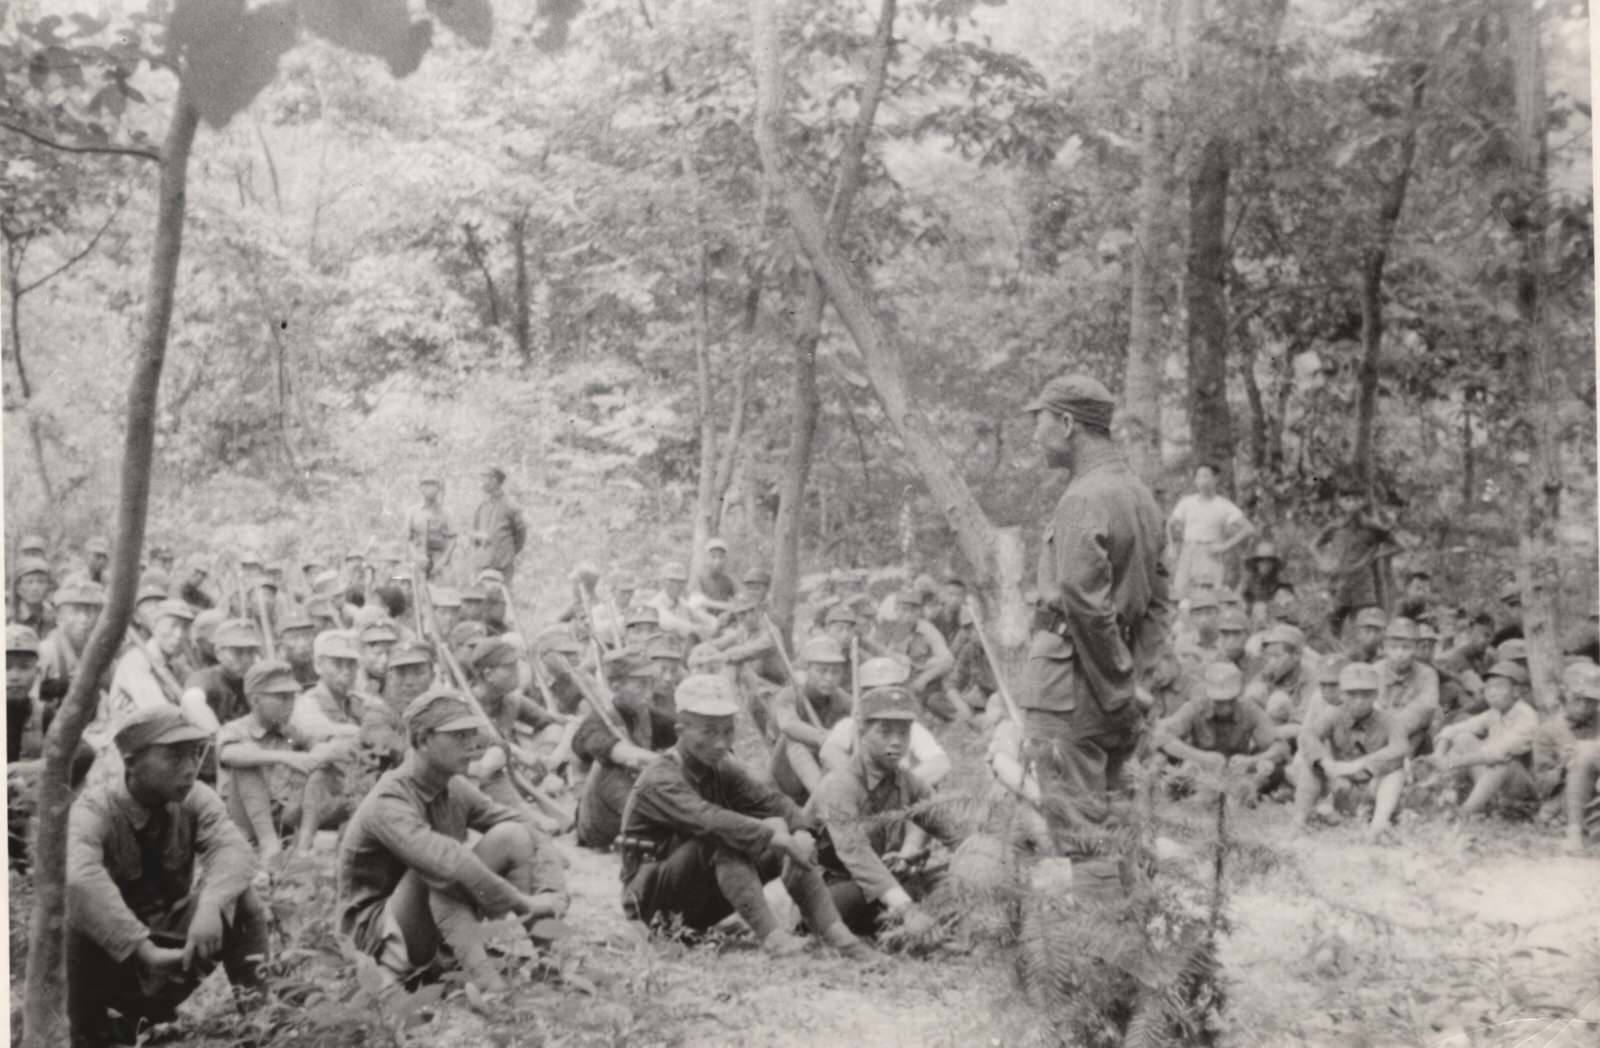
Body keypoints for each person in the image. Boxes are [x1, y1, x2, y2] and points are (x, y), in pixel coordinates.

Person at [1022, 373, 1170, 870]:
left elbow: (1084, 603)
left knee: (1080, 834)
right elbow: (1160, 602)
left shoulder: (1082, 498)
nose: (1034, 436)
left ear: (1067, 424)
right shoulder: (1141, 496)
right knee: (1119, 822)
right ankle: (1130, 932)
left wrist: (1118, 688)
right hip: (1115, 682)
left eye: (1039, 421)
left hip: (1072, 688)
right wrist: (1136, 678)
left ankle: (1102, 946)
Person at [615, 674, 872, 958]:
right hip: (649, 903)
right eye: (709, 732)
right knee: (727, 838)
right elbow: (709, 820)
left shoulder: (720, 767)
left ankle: (839, 936)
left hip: (696, 901)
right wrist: (778, 838)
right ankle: (775, 940)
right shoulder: (660, 778)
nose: (721, 743)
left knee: (780, 834)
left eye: (727, 731)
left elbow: (772, 802)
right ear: (681, 730)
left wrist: (800, 830)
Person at [338, 688, 568, 993]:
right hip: (378, 937)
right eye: (458, 735)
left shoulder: (453, 785)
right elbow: (448, 865)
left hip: (429, 920)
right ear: (421, 741)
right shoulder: (389, 799)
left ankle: (548, 965)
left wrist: (552, 887)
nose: (472, 744)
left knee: (512, 836)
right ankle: (486, 983)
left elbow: (525, 825)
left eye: (472, 733)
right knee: (443, 870)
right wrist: (525, 902)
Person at [66, 705, 267, 1048]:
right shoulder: (94, 810)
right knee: (79, 922)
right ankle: (104, 1030)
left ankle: (261, 1023)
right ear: (131, 763)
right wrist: (140, 947)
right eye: (174, 758)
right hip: (109, 968)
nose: (190, 769)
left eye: (193, 755)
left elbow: (233, 849)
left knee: (242, 899)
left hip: (167, 957)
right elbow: (80, 878)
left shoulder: (194, 798)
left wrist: (212, 905)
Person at [808, 683, 962, 942]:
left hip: (882, 883)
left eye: (903, 733)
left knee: (947, 883)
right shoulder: (839, 785)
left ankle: (916, 923)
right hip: (831, 886)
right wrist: (907, 909)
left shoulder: (908, 781)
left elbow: (951, 830)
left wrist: (980, 862)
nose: (896, 742)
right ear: (862, 732)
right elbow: (857, 856)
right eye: (885, 731)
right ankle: (907, 925)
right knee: (862, 899)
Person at [216, 660, 346, 864]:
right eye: (281, 697)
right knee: (246, 766)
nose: (289, 703)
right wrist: (288, 757)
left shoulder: (289, 730)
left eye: (292, 697)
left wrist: (317, 755)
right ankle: (269, 845)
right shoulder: (235, 729)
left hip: (283, 814)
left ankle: (304, 844)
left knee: (320, 766)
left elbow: (331, 744)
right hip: (242, 823)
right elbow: (229, 754)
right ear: (255, 700)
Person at [1290, 662, 1408, 835]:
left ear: (1376, 694)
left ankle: (1378, 825)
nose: (1359, 701)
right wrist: (1324, 762)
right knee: (1311, 765)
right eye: (1352, 694)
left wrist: (1360, 764)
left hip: (1373, 789)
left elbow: (1400, 748)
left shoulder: (1389, 721)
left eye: (1366, 694)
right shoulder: (1333, 714)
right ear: (1342, 694)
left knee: (1397, 772)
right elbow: (1308, 735)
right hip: (1340, 785)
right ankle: (1300, 819)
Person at [1152, 662, 1288, 802]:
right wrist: (1202, 757)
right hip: (1199, 770)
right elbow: (1162, 737)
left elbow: (1280, 747)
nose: (1225, 707)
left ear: (1238, 695)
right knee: (1163, 762)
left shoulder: (1249, 709)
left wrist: (1251, 761)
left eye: (1229, 700)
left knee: (1274, 771)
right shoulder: (1196, 707)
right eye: (1219, 702)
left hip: (1237, 773)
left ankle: (1241, 793)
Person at [572, 651, 661, 850]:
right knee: (608, 766)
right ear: (615, 686)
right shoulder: (596, 722)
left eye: (651, 683)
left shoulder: (649, 716)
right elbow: (621, 752)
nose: (649, 692)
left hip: (635, 799)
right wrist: (669, 761)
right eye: (640, 685)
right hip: (599, 824)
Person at [1427, 661, 1539, 819]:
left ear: (1517, 691)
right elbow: (1455, 729)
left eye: (1499, 687)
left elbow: (1498, 753)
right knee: (1463, 738)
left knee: (1501, 762)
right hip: (1492, 783)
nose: (1492, 693)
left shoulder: (1526, 717)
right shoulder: (1495, 712)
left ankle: (1465, 812)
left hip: (1521, 788)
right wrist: (1439, 755)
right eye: (1488, 687)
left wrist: (1452, 762)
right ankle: (1443, 794)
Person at [820, 658, 953, 788]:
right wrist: (859, 780)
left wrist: (899, 785)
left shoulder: (909, 727)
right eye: (874, 690)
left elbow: (940, 763)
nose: (883, 696)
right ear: (863, 693)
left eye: (889, 688)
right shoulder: (851, 724)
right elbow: (829, 752)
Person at [1311, 473, 1401, 636]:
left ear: (1363, 501)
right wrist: (1323, 562)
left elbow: (1396, 545)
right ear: (1340, 501)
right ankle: (1335, 647)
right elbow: (1315, 545)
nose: (1351, 503)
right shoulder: (1336, 526)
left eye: (1356, 499)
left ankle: (1366, 648)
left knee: (1364, 617)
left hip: (1362, 579)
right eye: (1347, 499)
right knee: (1336, 616)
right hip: (1339, 578)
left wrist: (1373, 555)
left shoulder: (1370, 526)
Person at [768, 636, 854, 804]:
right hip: (786, 775)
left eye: (835, 672)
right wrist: (825, 737)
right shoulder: (789, 694)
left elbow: (862, 722)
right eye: (822, 671)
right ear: (808, 670)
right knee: (794, 740)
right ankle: (825, 800)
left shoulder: (842, 698)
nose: (829, 678)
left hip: (824, 767)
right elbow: (788, 725)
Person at [1536, 661, 1600, 852]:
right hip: (1567, 802)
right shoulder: (1548, 731)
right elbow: (1542, 786)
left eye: (1591, 701)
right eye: (1577, 699)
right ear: (1564, 696)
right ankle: (1575, 834)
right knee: (1583, 753)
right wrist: (1562, 767)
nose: (1584, 706)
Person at [1167, 463, 1255, 598]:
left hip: (1210, 554)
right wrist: (1171, 545)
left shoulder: (1223, 505)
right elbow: (1170, 524)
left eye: (1206, 476)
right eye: (1199, 477)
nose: (1202, 480)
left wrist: (1225, 546)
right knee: (1180, 595)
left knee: (1210, 597)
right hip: (1188, 552)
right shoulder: (1187, 502)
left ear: (1216, 479)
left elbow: (1249, 529)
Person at [876, 586, 959, 722]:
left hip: (926, 680)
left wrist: (925, 678)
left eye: (913, 610)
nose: (908, 615)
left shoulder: (926, 629)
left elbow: (948, 660)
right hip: (900, 679)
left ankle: (957, 721)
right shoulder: (891, 629)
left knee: (934, 701)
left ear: (919, 611)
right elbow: (883, 654)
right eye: (903, 609)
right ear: (896, 610)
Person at [38, 580, 108, 734]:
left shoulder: (102, 653)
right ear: (59, 616)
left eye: (90, 612)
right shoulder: (46, 652)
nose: (83, 620)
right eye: (75, 611)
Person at [1375, 617, 1439, 756]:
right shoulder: (1374, 672)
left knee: (1436, 719)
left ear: (1416, 648)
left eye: (1406, 647)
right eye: (1393, 647)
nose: (1399, 654)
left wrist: (1396, 726)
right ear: (1385, 647)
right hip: (1377, 735)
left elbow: (1426, 707)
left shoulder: (1427, 674)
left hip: (1413, 736)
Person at [182, 618, 261, 730]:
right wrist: (219, 736)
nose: (246, 659)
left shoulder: (257, 679)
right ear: (218, 653)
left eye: (251, 652)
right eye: (238, 652)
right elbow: (191, 702)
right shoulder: (205, 678)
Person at [470, 466, 527, 590]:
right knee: (480, 599)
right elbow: (475, 532)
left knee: (503, 598)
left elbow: (520, 534)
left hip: (502, 563)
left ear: (495, 480)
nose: (482, 482)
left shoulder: (511, 506)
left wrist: (508, 552)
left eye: (485, 478)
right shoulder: (482, 506)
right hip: (483, 563)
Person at [650, 561, 716, 640]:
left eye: (680, 582)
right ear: (663, 582)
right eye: (672, 581)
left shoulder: (681, 602)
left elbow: (700, 616)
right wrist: (695, 629)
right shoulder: (655, 603)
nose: (677, 585)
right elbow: (668, 621)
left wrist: (712, 622)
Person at [407, 477, 456, 580]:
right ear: (421, 488)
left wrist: (443, 560)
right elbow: (408, 539)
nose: (430, 489)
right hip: (419, 560)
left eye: (433, 485)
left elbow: (453, 539)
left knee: (440, 592)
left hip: (439, 561)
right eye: (426, 485)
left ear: (438, 489)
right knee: (419, 592)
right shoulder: (412, 512)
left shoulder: (447, 512)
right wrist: (416, 556)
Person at [7, 624, 42, 763]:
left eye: (24, 667)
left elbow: (83, 752)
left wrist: (35, 770)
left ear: (37, 672)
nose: (14, 676)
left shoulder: (44, 713)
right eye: (5, 667)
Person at [1240, 541, 1285, 625]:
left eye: (1269, 561)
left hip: (1273, 619)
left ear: (1274, 564)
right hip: (1251, 619)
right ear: (1256, 563)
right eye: (1262, 561)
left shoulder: (1277, 582)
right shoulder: (1248, 581)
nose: (1265, 564)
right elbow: (1239, 601)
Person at [11, 555, 55, 638]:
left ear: (48, 587)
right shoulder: (10, 616)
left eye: (41, 582)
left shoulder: (53, 617)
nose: (35, 588)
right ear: (18, 589)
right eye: (29, 582)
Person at [693, 538, 738, 614]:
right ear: (707, 559)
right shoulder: (700, 579)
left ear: (725, 560)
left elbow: (736, 603)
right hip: (705, 620)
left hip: (725, 620)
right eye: (713, 557)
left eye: (721, 557)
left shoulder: (728, 581)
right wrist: (726, 606)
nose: (717, 561)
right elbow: (696, 603)